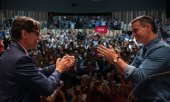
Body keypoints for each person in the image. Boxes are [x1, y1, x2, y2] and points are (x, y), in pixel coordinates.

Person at [0, 16, 75, 102]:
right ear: (24, 34)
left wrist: (59, 65)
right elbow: (48, 88)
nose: (39, 38)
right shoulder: (21, 59)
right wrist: (59, 70)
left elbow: (34, 73)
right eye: (37, 34)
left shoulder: (10, 52)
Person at [97, 15, 170, 101]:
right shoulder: (142, 50)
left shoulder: (163, 49)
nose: (133, 35)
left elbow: (139, 76)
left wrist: (116, 59)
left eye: (135, 30)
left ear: (148, 27)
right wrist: (114, 62)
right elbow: (127, 74)